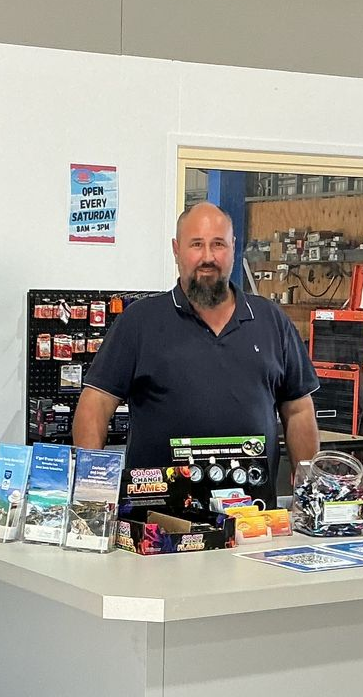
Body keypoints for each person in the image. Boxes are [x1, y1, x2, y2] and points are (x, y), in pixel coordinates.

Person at [73, 202, 320, 497]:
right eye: (196, 245)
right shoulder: (140, 322)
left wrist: (309, 491)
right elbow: (94, 406)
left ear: (233, 248)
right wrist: (92, 491)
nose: (208, 257)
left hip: (253, 518)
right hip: (160, 521)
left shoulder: (271, 320)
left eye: (218, 244)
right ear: (176, 250)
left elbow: (299, 411)